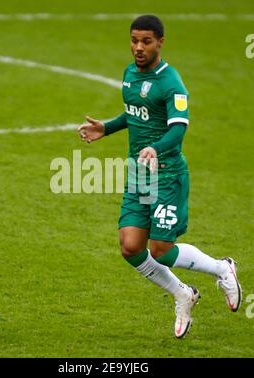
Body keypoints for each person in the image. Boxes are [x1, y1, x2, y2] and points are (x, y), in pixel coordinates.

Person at [78, 15, 242, 338]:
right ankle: (183, 293)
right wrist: (106, 128)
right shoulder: (129, 74)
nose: (138, 47)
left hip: (167, 175)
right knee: (130, 246)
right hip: (140, 175)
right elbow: (138, 112)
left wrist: (155, 147)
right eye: (134, 40)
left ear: (160, 42)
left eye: (146, 41)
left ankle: (223, 269)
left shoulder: (172, 83)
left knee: (161, 249)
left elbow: (179, 127)